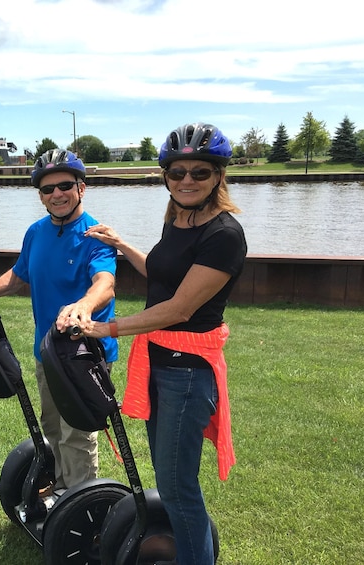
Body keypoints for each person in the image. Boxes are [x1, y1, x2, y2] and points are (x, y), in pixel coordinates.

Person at [62, 124, 247, 565]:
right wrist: (122, 243)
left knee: (179, 490)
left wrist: (107, 329)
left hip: (186, 374)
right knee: (169, 482)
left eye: (200, 173)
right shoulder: (179, 219)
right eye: (177, 171)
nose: (187, 181)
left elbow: (179, 308)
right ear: (166, 175)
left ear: (219, 176)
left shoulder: (224, 234)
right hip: (160, 366)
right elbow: (164, 277)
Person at [0, 149, 118, 490]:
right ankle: (63, 486)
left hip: (84, 354)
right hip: (47, 351)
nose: (56, 194)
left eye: (64, 185)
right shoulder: (36, 232)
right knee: (52, 426)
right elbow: (19, 276)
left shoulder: (96, 235)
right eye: (48, 189)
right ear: (41, 196)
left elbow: (104, 282)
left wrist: (84, 306)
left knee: (76, 433)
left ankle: (81, 501)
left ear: (81, 188)